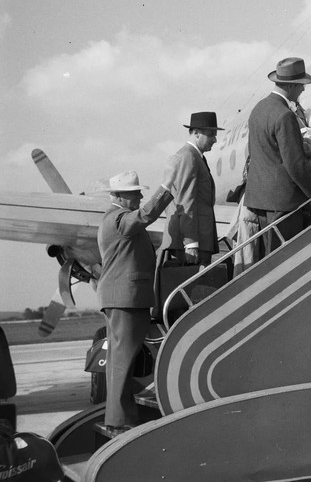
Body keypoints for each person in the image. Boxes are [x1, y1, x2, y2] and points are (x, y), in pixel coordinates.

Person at [97, 171, 173, 434]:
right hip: (125, 300)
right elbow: (144, 215)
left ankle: (123, 417)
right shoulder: (116, 218)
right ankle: (118, 421)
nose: (140, 196)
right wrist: (166, 189)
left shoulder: (117, 219)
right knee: (122, 360)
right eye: (134, 193)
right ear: (118, 197)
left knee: (122, 359)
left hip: (125, 299)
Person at [244, 57, 311, 255]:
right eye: (301, 85)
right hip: (283, 203)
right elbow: (294, 164)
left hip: (259, 200)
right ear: (291, 85)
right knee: (285, 259)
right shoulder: (284, 115)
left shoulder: (258, 109)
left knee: (268, 259)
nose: (303, 90)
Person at [160, 111, 223, 267]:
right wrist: (190, 243)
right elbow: (185, 202)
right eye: (211, 135)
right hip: (192, 244)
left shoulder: (195, 156)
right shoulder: (189, 157)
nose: (215, 140)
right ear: (196, 133)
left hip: (197, 241)